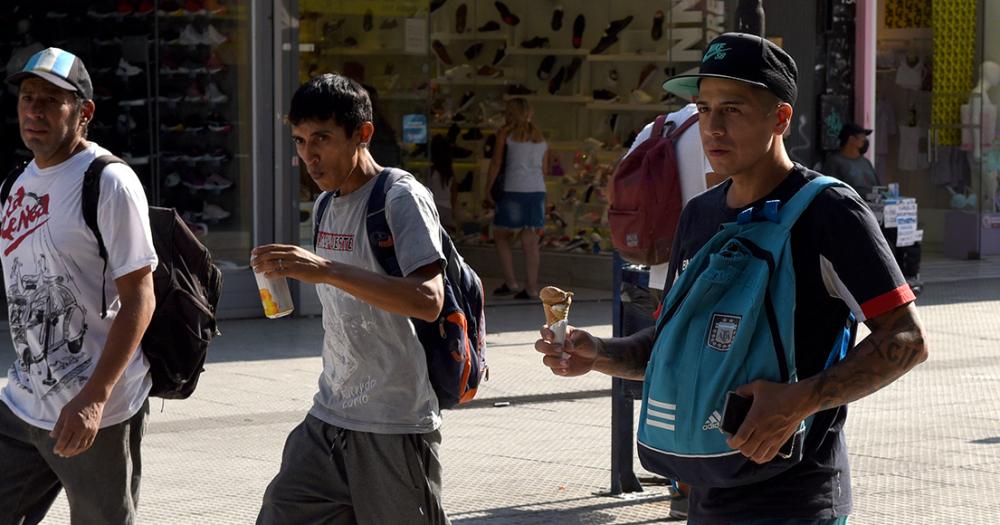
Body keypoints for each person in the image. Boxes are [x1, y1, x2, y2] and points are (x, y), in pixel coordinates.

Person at [536, 33, 928, 525]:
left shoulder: (831, 211)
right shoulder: (699, 216)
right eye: (703, 109)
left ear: (780, 118)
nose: (712, 127)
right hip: (707, 493)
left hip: (799, 502)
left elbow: (907, 339)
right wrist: (596, 352)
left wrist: (798, 402)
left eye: (733, 109)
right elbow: (673, 347)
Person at [253, 74, 450, 525]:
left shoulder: (400, 197)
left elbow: (428, 299)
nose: (309, 155)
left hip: (393, 422)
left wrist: (322, 269)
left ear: (362, 134)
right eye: (300, 141)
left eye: (322, 138)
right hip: (330, 415)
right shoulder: (326, 204)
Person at [0, 47, 157, 523]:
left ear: (84, 111)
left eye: (51, 100)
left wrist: (93, 398)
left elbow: (140, 298)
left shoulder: (108, 182)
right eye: (28, 98)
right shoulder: (15, 184)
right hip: (22, 404)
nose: (35, 111)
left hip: (95, 413)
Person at [484, 97, 549, 300]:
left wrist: (487, 190)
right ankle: (531, 288)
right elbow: (545, 170)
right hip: (537, 191)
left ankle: (511, 281)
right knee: (530, 241)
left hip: (513, 190)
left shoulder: (505, 135)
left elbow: (495, 164)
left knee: (501, 235)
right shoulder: (541, 138)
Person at [822, 122, 879, 200]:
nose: (865, 140)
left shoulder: (866, 162)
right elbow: (830, 191)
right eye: (862, 136)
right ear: (851, 139)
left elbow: (878, 187)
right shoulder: (834, 162)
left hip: (871, 207)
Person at [428, 133, 458, 232]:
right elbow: (454, 194)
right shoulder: (450, 173)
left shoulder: (432, 171)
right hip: (447, 208)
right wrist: (453, 211)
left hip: (434, 207)